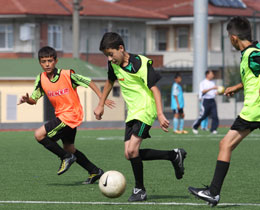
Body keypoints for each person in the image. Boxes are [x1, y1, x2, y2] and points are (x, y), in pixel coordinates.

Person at [94, 32, 187, 202]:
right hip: (133, 112)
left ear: (121, 48)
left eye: (111, 54)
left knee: (132, 150)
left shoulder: (141, 63)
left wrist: (159, 113)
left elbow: (155, 89)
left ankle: (140, 190)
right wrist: (101, 104)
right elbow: (109, 82)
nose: (109, 59)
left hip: (146, 110)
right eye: (106, 55)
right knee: (129, 154)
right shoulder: (113, 65)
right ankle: (174, 155)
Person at [188, 16, 260, 206]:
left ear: (234, 38)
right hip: (254, 110)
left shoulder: (253, 54)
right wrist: (236, 87)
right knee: (225, 144)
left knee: (225, 145)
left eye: (229, 37)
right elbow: (254, 77)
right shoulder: (251, 53)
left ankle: (213, 192)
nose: (229, 41)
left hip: (255, 110)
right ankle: (213, 192)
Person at [18, 46, 114, 184]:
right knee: (69, 147)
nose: (47, 64)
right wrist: (27, 100)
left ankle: (65, 157)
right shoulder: (41, 79)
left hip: (71, 115)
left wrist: (101, 99)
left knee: (39, 135)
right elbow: (34, 99)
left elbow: (88, 81)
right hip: (63, 117)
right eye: (44, 61)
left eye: (50, 61)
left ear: (56, 61)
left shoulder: (67, 75)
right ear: (40, 62)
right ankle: (95, 171)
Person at [192, 70, 219, 134]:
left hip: (212, 100)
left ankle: (213, 129)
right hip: (206, 101)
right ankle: (195, 126)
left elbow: (213, 92)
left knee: (215, 116)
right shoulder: (203, 83)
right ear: (207, 75)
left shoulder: (213, 82)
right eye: (211, 74)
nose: (213, 75)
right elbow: (203, 91)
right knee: (203, 115)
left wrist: (217, 92)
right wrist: (212, 88)